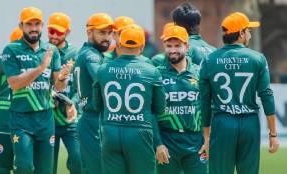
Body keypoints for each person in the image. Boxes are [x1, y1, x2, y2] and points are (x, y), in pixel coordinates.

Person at [199, 12, 280, 174]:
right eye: (248, 30)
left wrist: (206, 137)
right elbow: (266, 95)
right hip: (249, 123)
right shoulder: (258, 59)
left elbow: (204, 101)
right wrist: (273, 134)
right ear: (241, 34)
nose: (250, 35)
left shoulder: (209, 60)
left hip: (222, 122)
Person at [2, 7, 71, 174]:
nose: (33, 28)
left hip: (45, 119)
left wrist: (62, 78)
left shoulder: (51, 50)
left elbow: (58, 86)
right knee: (25, 167)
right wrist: (41, 68)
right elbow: (14, 83)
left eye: (37, 24)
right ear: (21, 26)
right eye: (29, 24)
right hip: (21, 119)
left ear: (42, 26)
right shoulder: (11, 50)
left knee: (45, 170)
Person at [93, 26, 166, 174]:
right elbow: (160, 109)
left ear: (119, 45)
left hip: (110, 131)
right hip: (139, 132)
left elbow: (96, 106)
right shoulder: (152, 71)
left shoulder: (103, 69)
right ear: (142, 46)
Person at [155, 25, 207, 174]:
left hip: (196, 142)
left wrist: (208, 139)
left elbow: (210, 107)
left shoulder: (200, 72)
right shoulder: (156, 74)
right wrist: (158, 144)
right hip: (167, 142)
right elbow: (150, 112)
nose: (173, 50)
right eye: (169, 45)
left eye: (177, 45)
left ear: (187, 46)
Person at [73, 13, 114, 174]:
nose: (107, 37)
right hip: (93, 119)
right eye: (102, 32)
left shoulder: (90, 53)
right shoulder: (91, 55)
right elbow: (103, 79)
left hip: (91, 118)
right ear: (89, 33)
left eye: (109, 33)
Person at [47, 12, 82, 174]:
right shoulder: (42, 51)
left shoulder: (76, 54)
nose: (54, 35)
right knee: (48, 167)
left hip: (70, 120)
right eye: (51, 30)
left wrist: (72, 102)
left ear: (67, 32)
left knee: (78, 161)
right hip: (48, 119)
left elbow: (80, 87)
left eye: (59, 32)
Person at [0, 27, 23, 174]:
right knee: (23, 165)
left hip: (3, 114)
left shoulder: (1, 57)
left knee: (3, 166)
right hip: (16, 114)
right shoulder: (32, 58)